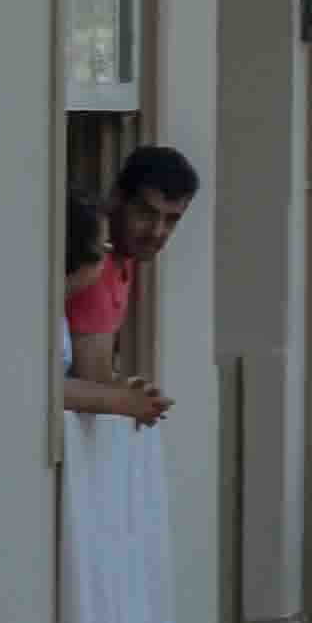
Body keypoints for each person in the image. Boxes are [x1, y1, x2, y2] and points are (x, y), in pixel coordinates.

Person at [55, 143, 198, 419]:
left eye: (171, 220)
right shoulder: (94, 260)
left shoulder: (126, 252)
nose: (157, 232)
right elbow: (91, 379)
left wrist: (131, 390)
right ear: (117, 198)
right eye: (146, 213)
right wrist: (126, 398)